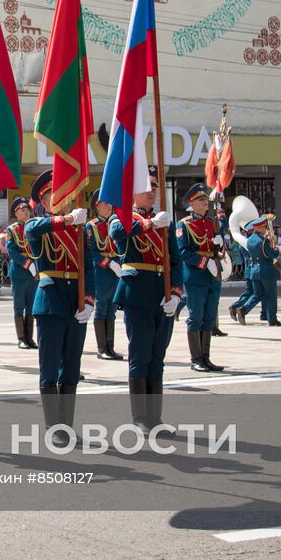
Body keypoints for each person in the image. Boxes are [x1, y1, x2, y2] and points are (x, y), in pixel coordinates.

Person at [109, 166, 182, 431]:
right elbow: (117, 233)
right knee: (140, 355)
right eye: (146, 188)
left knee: (157, 357)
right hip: (138, 294)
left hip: (162, 295)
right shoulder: (121, 217)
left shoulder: (164, 221)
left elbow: (176, 261)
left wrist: (176, 293)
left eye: (155, 187)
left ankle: (155, 418)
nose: (152, 192)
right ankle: (140, 417)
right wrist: (151, 224)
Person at [23, 172, 93, 441]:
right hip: (51, 302)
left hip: (75, 301)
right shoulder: (38, 225)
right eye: (55, 195)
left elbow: (88, 267)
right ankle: (54, 426)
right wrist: (66, 220)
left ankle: (67, 425)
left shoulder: (80, 229)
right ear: (43, 202)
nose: (63, 199)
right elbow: (32, 230)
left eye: (66, 193)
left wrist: (89, 299)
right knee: (50, 367)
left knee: (72, 366)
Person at [175, 183, 225, 372]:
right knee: (195, 317)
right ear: (192, 203)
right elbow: (182, 252)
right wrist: (205, 262)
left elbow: (219, 250)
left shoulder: (213, 223)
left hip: (213, 275)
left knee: (209, 317)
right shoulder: (184, 225)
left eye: (205, 199)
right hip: (196, 275)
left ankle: (206, 358)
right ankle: (196, 359)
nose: (205, 202)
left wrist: (220, 245)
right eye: (201, 199)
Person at [84, 192, 124, 360]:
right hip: (101, 272)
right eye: (105, 204)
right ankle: (102, 349)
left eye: (110, 204)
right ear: (97, 206)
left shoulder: (116, 224)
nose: (109, 207)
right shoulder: (91, 227)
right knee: (101, 308)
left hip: (116, 271)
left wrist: (119, 264)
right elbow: (91, 252)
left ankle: (110, 347)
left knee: (112, 309)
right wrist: (109, 263)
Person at [1, 196, 39, 349]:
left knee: (31, 306)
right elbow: (12, 251)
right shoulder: (12, 230)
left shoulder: (34, 227)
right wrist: (27, 264)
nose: (25, 212)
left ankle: (30, 338)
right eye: (22, 210)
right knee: (19, 306)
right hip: (19, 272)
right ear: (15, 214)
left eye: (27, 209)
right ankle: (21, 338)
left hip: (33, 272)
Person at [243, 216, 281, 327]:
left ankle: (243, 310)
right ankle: (272, 319)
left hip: (254, 270)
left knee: (257, 294)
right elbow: (273, 254)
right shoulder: (263, 241)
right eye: (263, 227)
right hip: (266, 270)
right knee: (271, 295)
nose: (265, 228)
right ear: (258, 228)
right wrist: (276, 248)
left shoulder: (250, 240)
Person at [227, 220, 255, 325]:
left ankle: (235, 307)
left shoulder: (244, 240)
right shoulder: (250, 240)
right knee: (256, 293)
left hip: (248, 269)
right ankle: (240, 309)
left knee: (249, 292)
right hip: (252, 268)